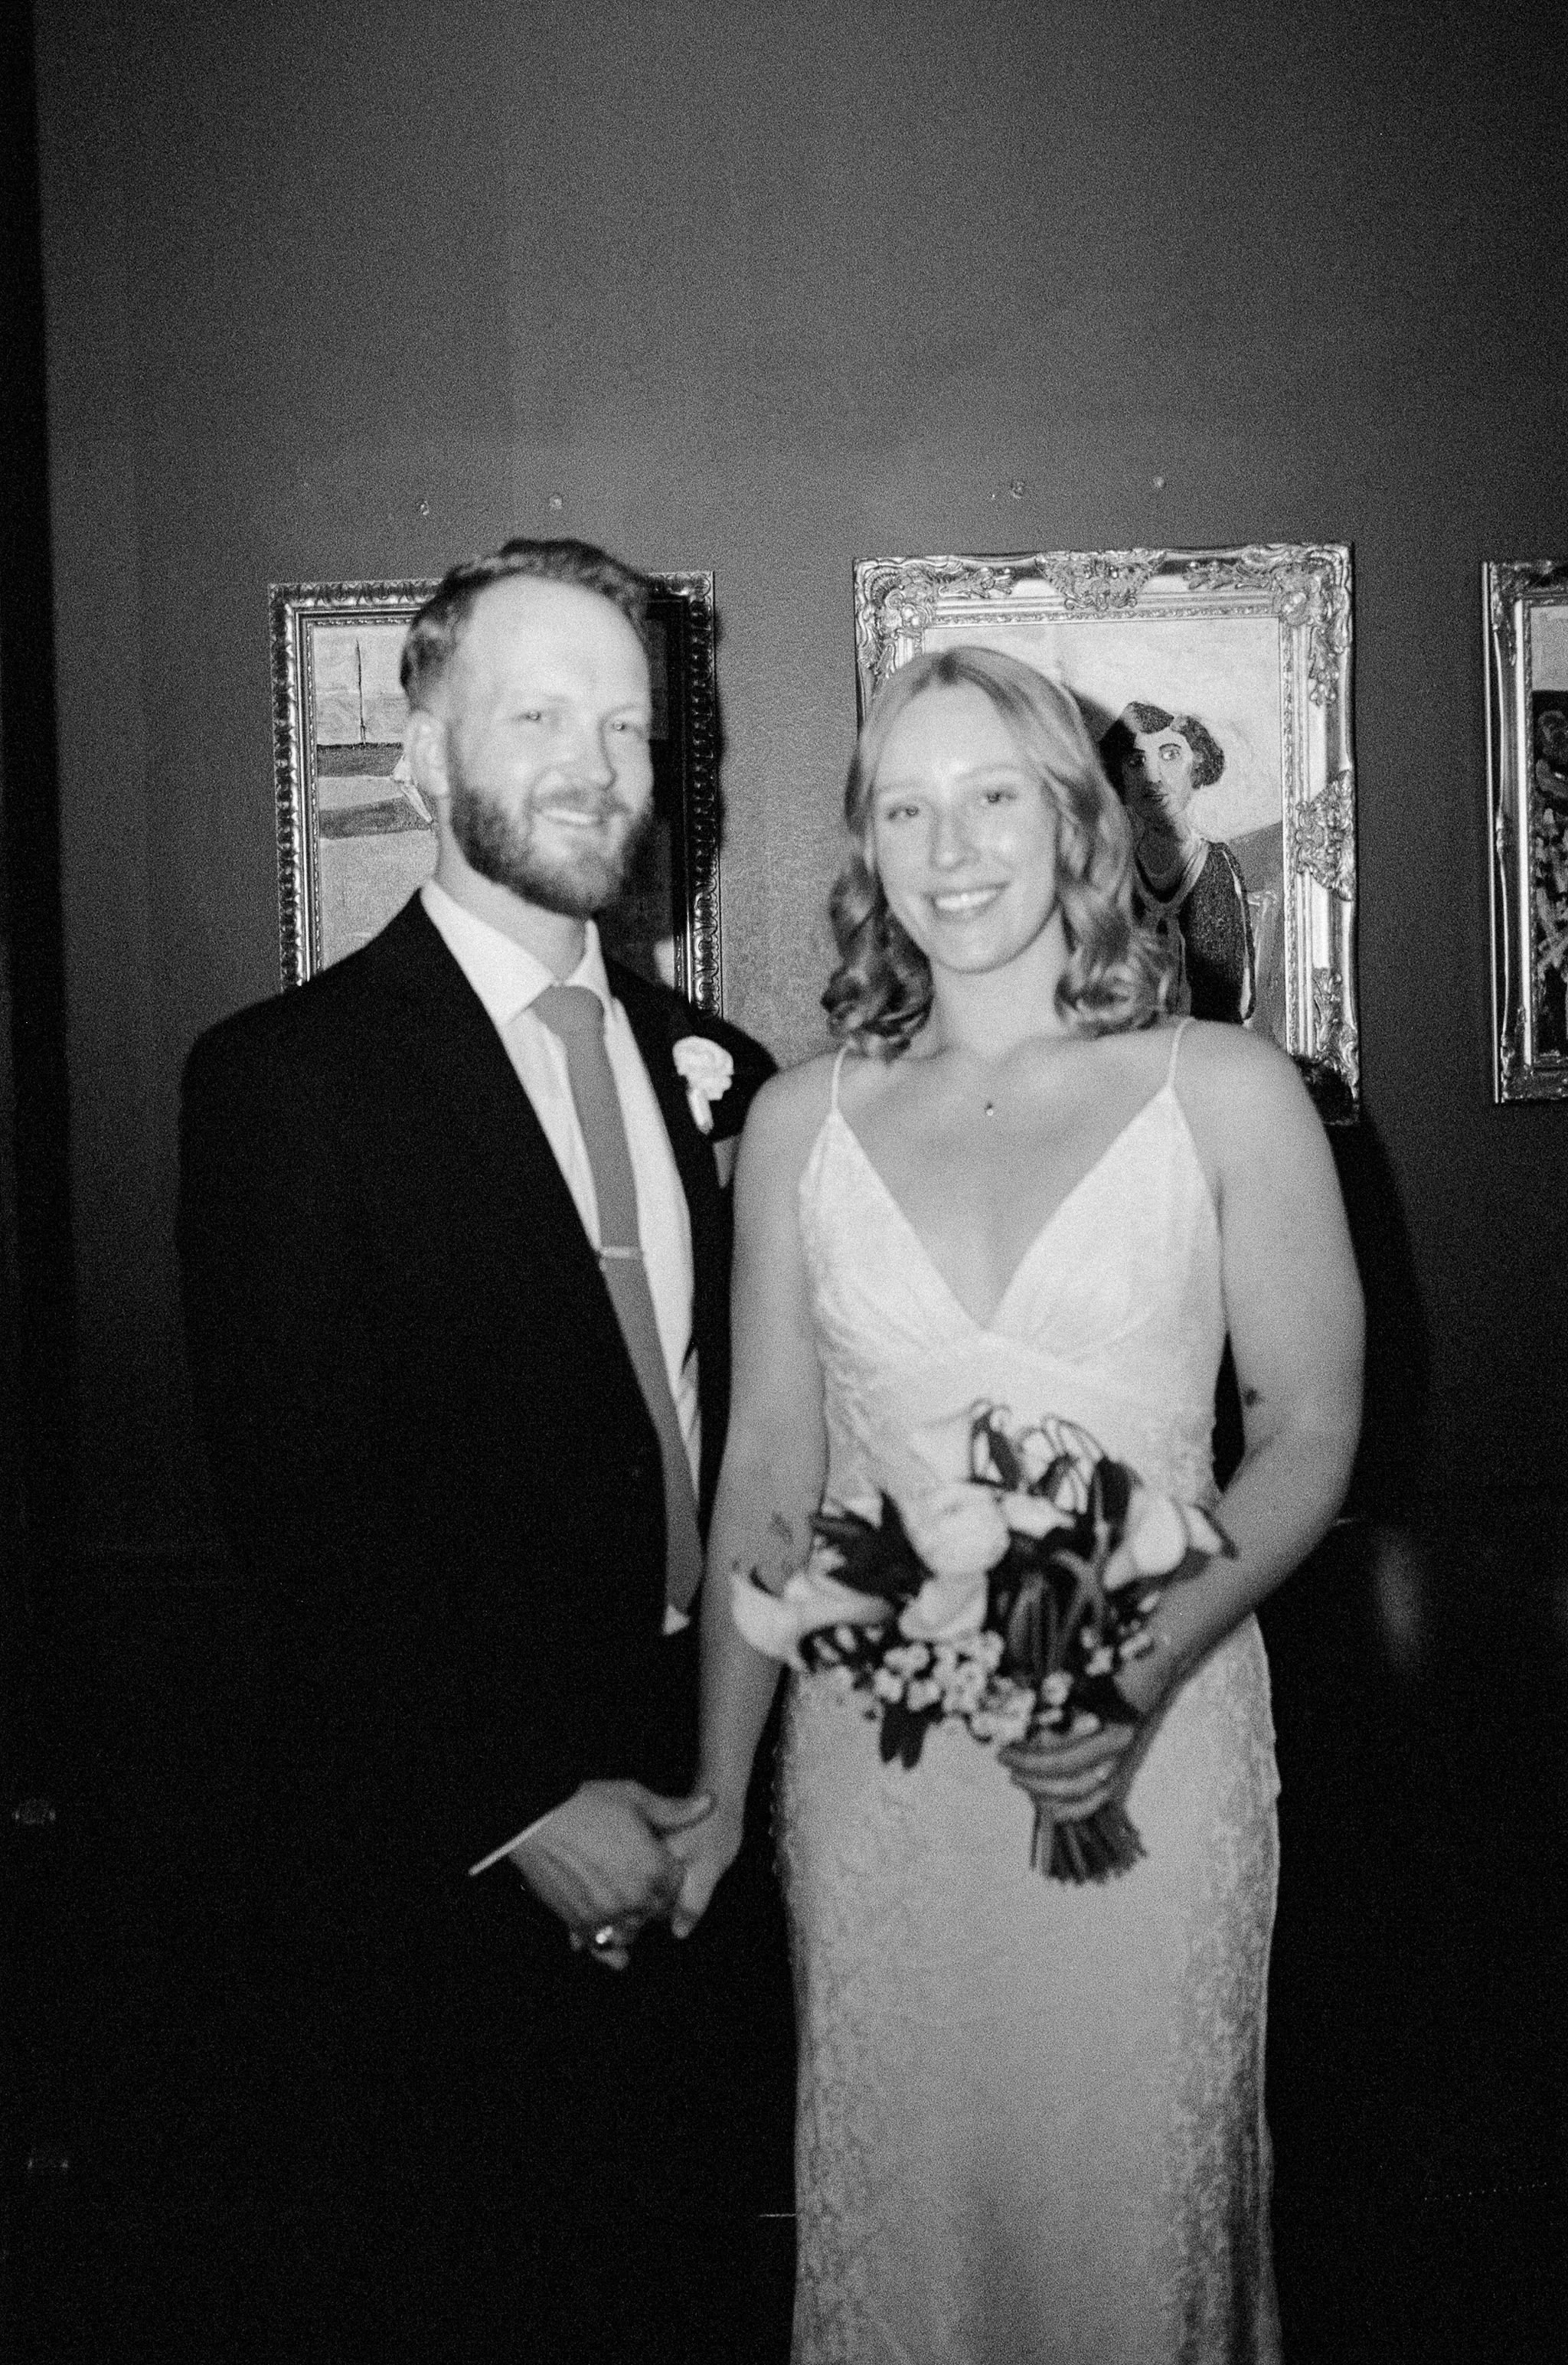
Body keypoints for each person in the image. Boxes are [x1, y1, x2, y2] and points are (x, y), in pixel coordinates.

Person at [671, 645, 1363, 2363]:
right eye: (904, 805)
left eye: (992, 794)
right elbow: (769, 1470)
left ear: (1074, 821)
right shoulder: (794, 1123)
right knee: (908, 2228)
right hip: (879, 1769)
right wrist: (709, 1781)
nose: (950, 842)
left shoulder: (1229, 1089)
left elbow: (1311, 1433)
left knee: (1137, 2220)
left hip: (1159, 1735)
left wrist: (1131, 1668)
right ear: (864, 847)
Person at [168, 538, 786, 2363]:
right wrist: (518, 1805)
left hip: (698, 1841)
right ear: (417, 760)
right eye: (537, 714)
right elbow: (300, 1506)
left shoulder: (722, 1074)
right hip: (430, 1888)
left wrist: (713, 1800)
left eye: (626, 721)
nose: (598, 758)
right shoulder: (283, 1079)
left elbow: (743, 1448)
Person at [1099, 700, 1256, 1022]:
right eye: (1136, 760)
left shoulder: (1212, 865)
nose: (1153, 776)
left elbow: (1228, 996)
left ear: (1196, 766)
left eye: (1170, 755)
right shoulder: (1116, 867)